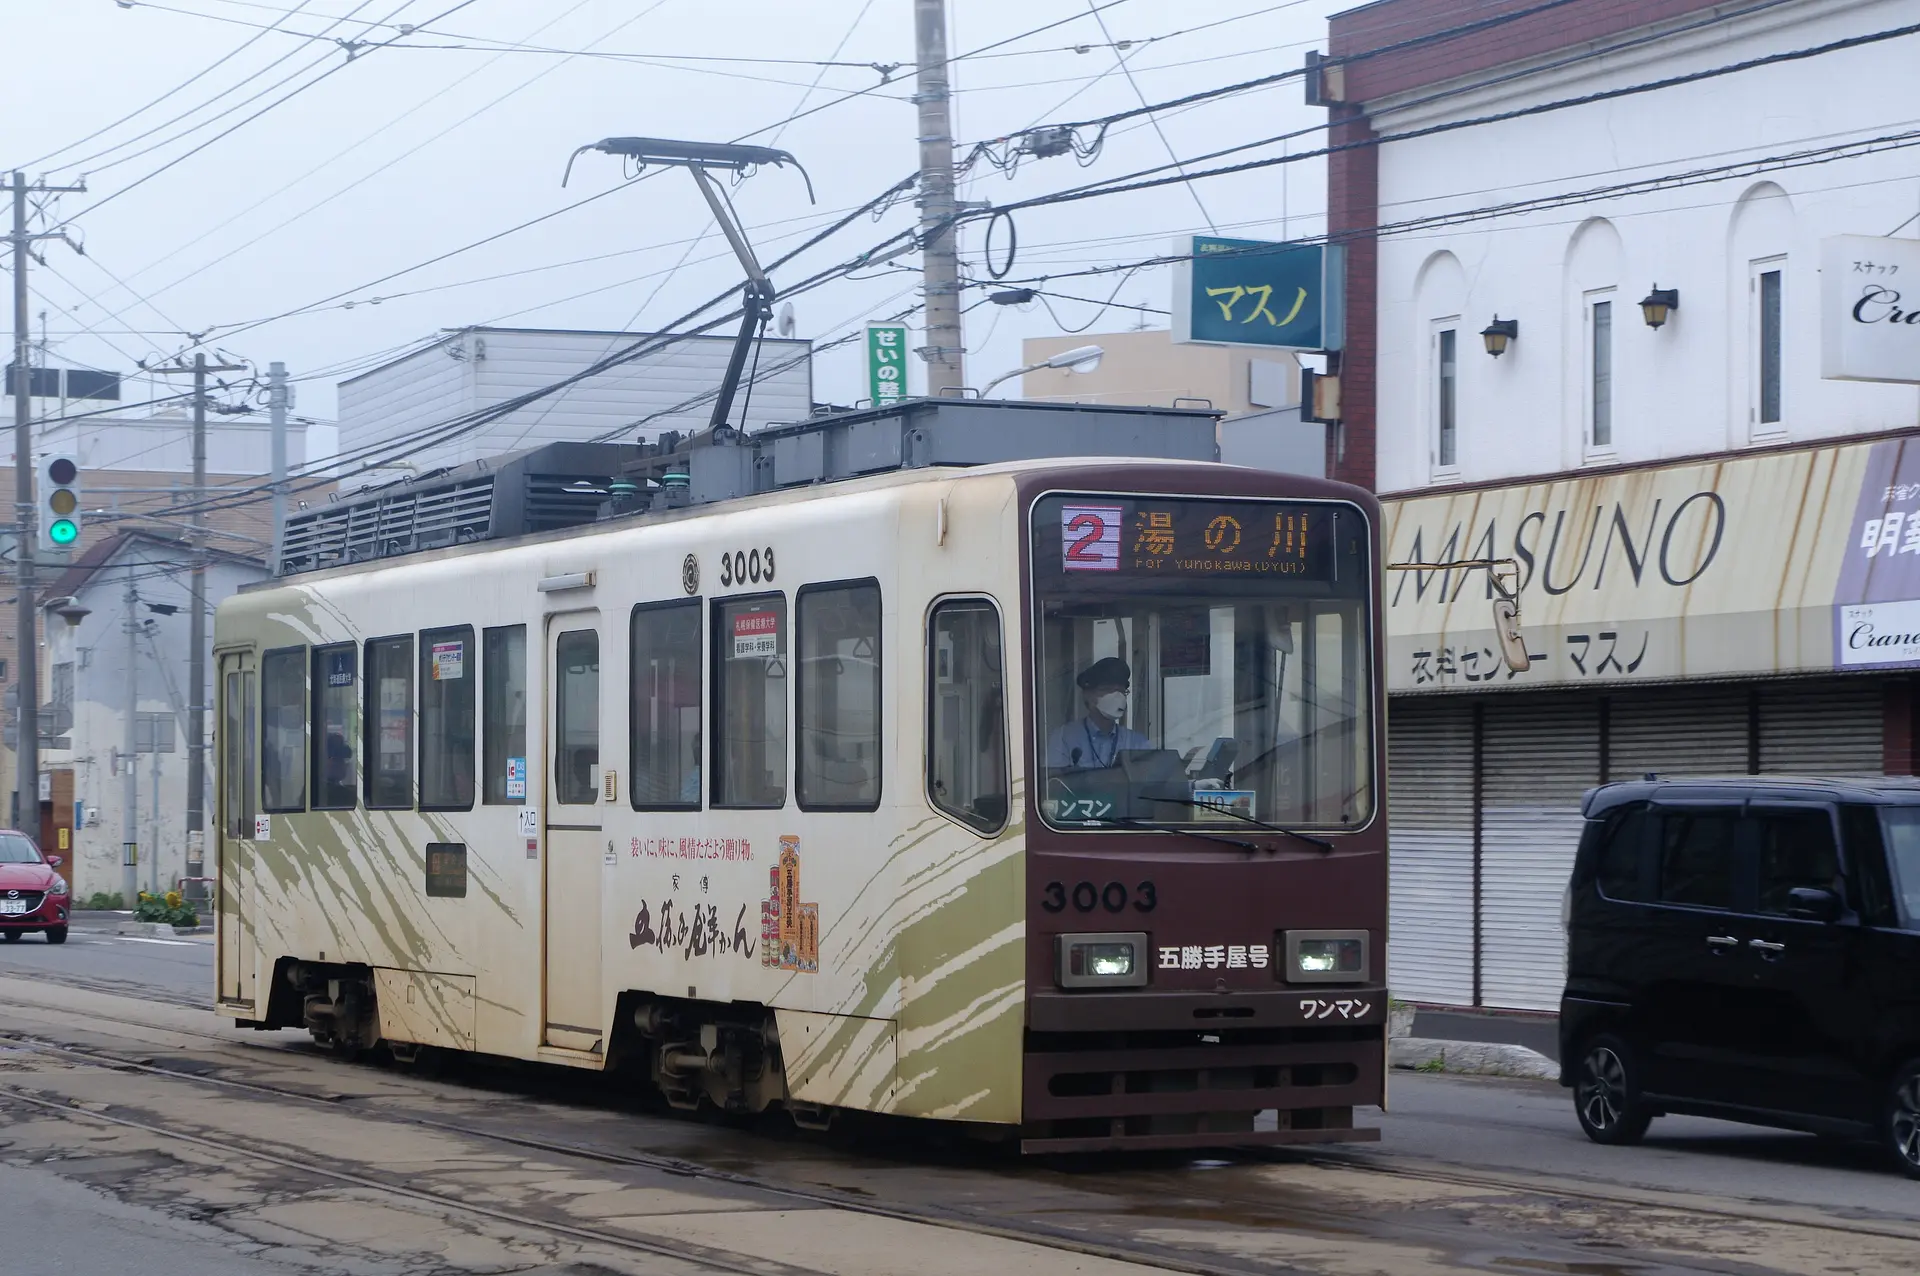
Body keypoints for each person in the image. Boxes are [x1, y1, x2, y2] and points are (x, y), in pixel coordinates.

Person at [1045, 656, 1151, 770]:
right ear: (1089, 695)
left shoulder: (1137, 743)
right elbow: (1055, 783)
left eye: (1120, 691)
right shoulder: (1064, 738)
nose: (1116, 697)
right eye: (1107, 689)